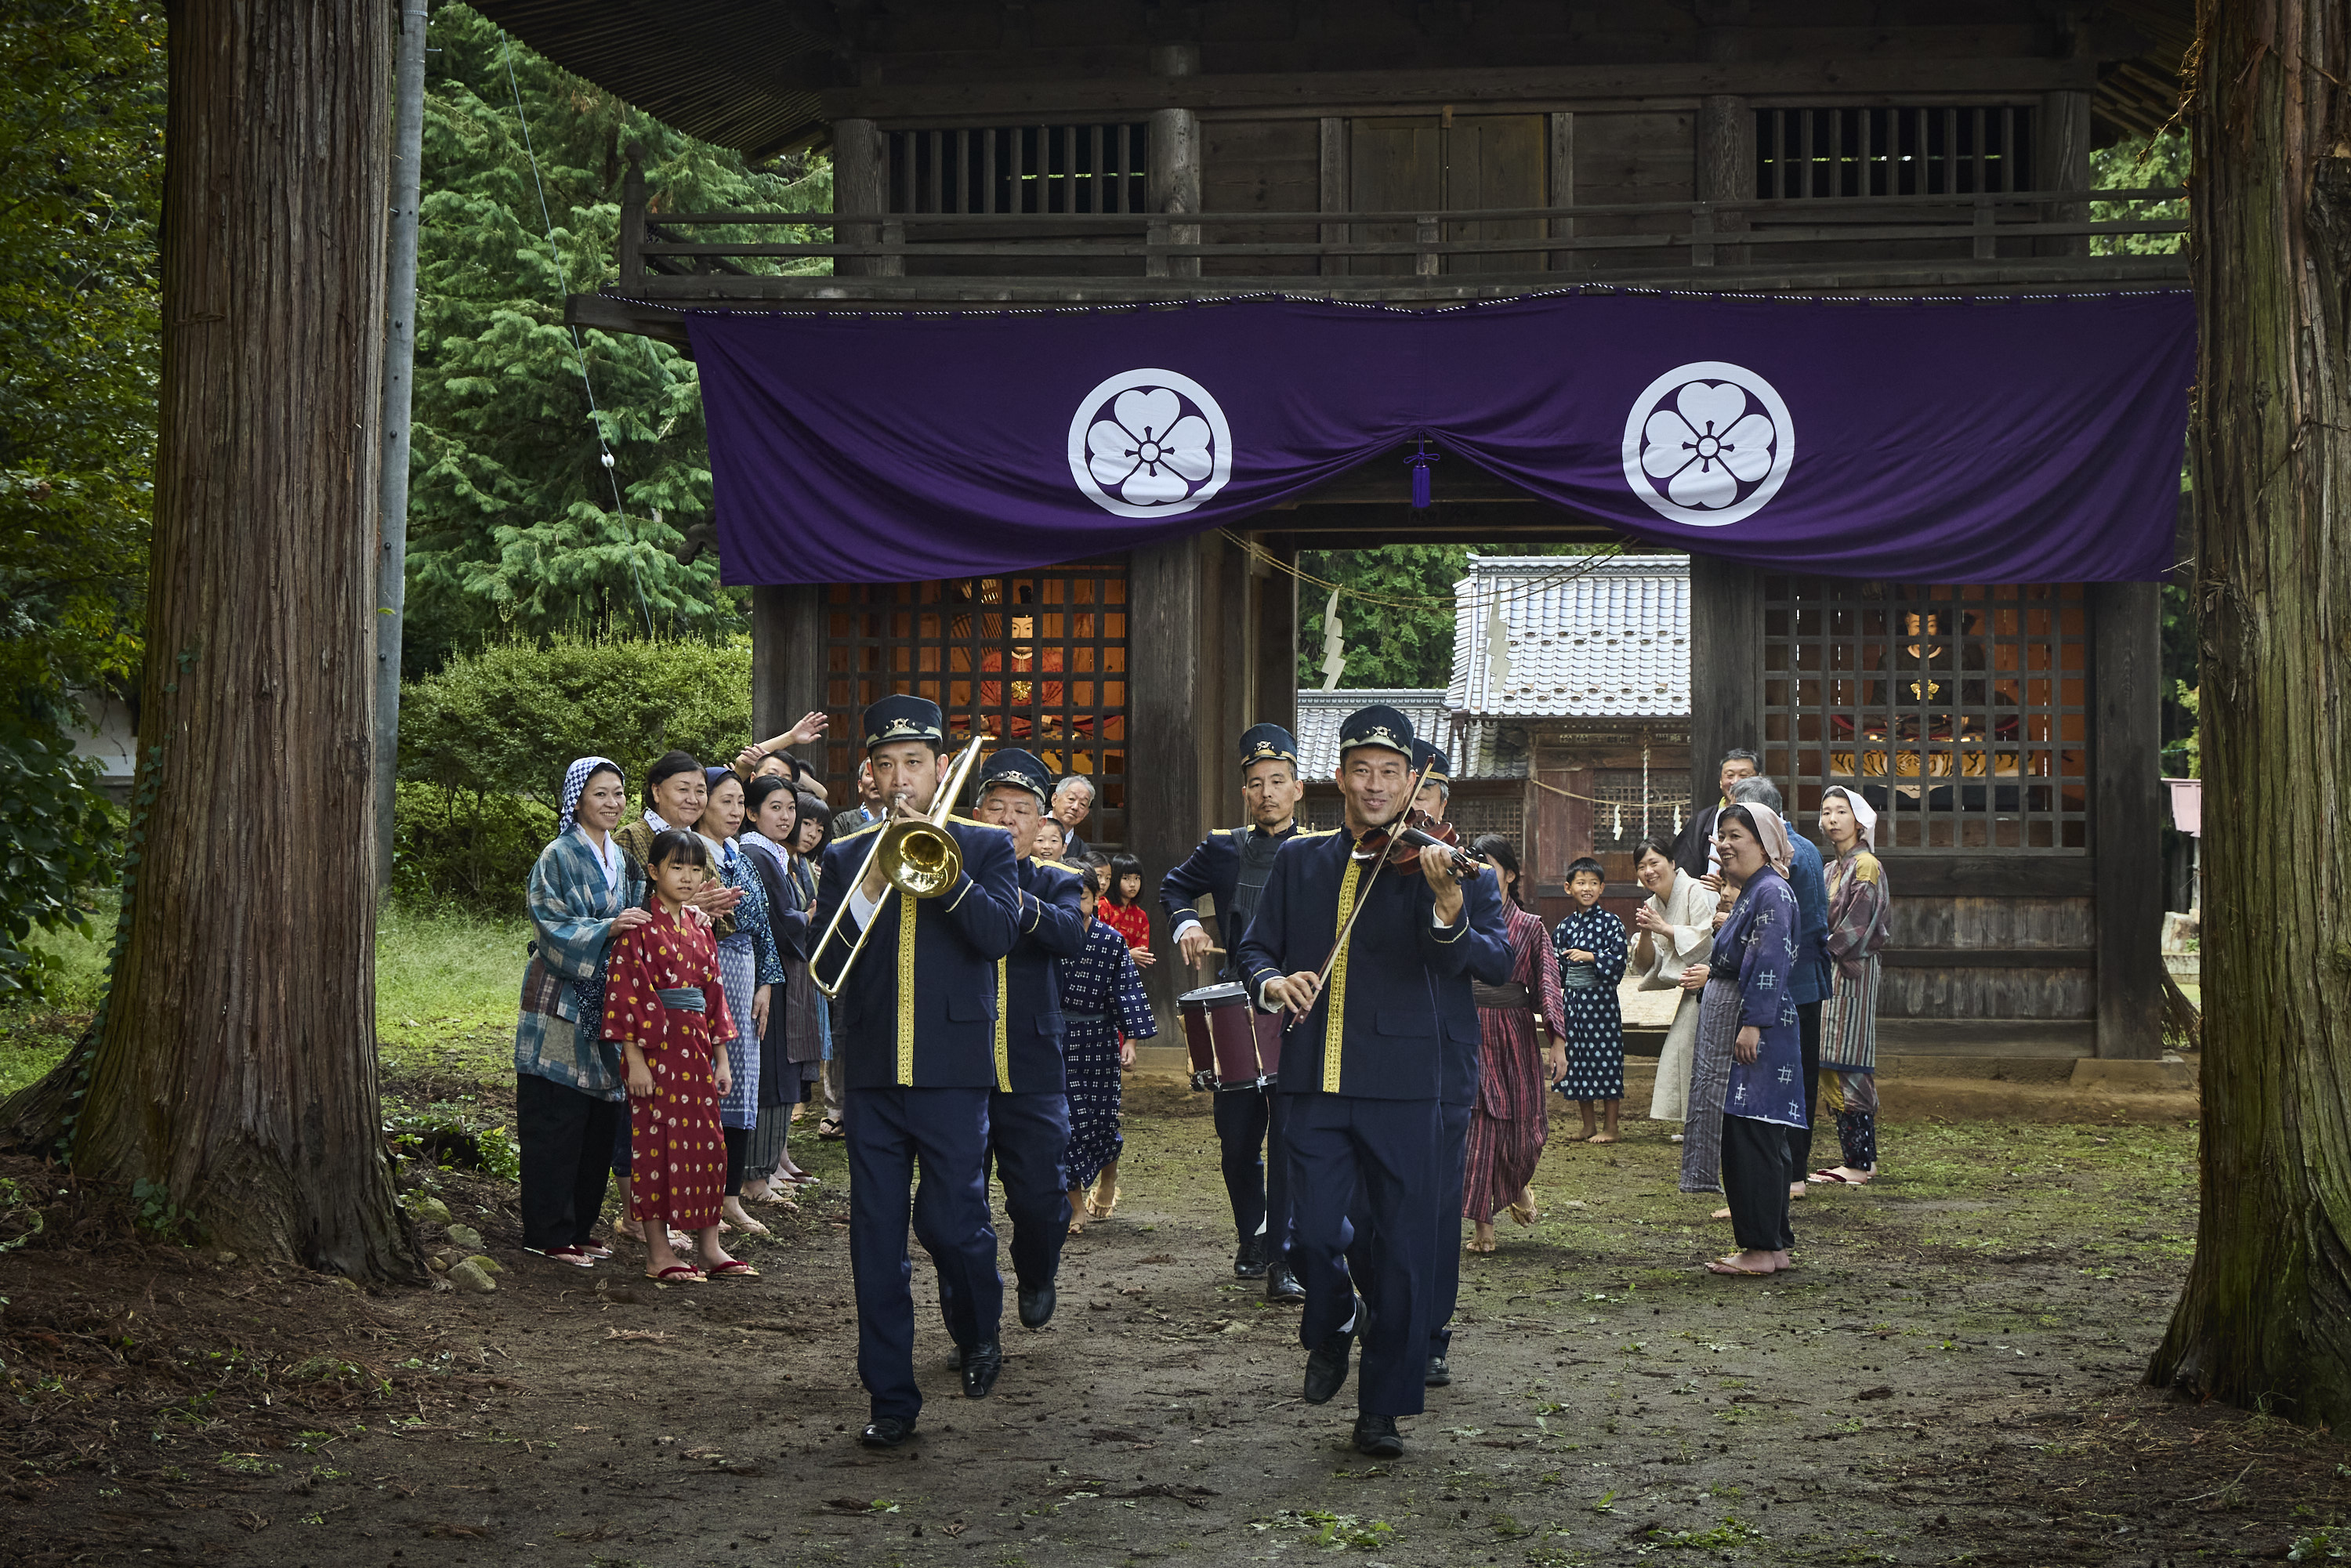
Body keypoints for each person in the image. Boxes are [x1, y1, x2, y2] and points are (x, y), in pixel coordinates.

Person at [1236, 704, 1508, 1459]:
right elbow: (1253, 945)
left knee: (1403, 1248)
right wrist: (1269, 980)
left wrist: (1448, 909)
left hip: (1409, 1083)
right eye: (1363, 769)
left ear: (1413, 782)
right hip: (1312, 1081)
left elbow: (1497, 960)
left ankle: (1382, 1407)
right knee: (1314, 1234)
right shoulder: (1301, 860)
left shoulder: (1442, 863)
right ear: (1340, 777)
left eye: (1393, 772)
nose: (1378, 784)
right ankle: (1331, 1318)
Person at [811, 696, 1023, 1449]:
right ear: (872, 775)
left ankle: (978, 1330)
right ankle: (891, 1397)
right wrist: (875, 880)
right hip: (872, 1074)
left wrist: (947, 879)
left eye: (916, 763)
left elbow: (998, 936)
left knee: (956, 1222)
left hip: (952, 1070)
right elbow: (825, 965)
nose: (902, 778)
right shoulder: (844, 856)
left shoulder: (987, 846)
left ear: (941, 770)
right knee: (875, 1236)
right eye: (887, 765)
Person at [939, 748, 1088, 1349]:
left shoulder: (1058, 878)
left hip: (1033, 1064)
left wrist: (1011, 902)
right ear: (974, 814)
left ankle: (1037, 1271)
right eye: (994, 807)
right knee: (955, 1207)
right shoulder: (948, 875)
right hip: (957, 1065)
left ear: (1041, 821)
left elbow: (1071, 934)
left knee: (1041, 1197)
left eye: (1021, 810)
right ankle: (971, 1330)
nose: (1007, 820)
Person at [1160, 722, 1308, 1299]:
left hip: (1296, 1009)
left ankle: (1286, 1253)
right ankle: (1253, 1232)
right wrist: (1189, 923)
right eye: (1255, 783)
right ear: (1244, 792)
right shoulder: (1222, 847)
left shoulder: (1319, 848)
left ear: (1298, 788)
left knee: (1292, 1138)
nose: (1266, 792)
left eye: (1278, 781)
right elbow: (1174, 887)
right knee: (1239, 1140)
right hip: (1237, 1010)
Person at [1401, 737, 1512, 1390]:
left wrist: (1452, 908)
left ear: (1443, 800)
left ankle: (1432, 1331)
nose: (1415, 803)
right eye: (1401, 788)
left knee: (1439, 1201)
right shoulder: (1357, 861)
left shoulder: (1474, 872)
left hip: (1443, 1050)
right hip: (1363, 1052)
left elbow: (1498, 963)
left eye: (1427, 792)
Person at [602, 828, 755, 1282]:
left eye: (695, 868)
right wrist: (633, 1060)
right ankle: (658, 1252)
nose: (687, 878)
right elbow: (625, 995)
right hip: (653, 1054)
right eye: (676, 867)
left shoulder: (700, 928)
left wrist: (723, 1058)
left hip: (697, 1055)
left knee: (709, 1146)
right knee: (654, 1147)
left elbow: (714, 996)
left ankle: (709, 1247)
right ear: (653, 871)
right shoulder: (637, 929)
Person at [514, 757, 647, 1266]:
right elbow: (549, 922)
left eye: (618, 793)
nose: (612, 803)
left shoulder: (627, 863)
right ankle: (547, 1232)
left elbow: (644, 920)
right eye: (601, 794)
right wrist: (607, 929)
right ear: (577, 800)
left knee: (600, 1118)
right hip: (557, 999)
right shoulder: (557, 856)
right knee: (556, 1117)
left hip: (611, 1000)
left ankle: (582, 1225)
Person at [1688, 805, 1808, 1276]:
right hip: (1754, 1025)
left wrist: (1754, 1022)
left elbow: (1771, 961)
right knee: (1763, 1135)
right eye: (1721, 836)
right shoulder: (1756, 890)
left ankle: (1759, 1249)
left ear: (1766, 843)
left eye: (1736, 835)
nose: (1724, 844)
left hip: (1756, 1029)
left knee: (1750, 1137)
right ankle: (1772, 1245)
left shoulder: (1771, 892)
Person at [1460, 835, 1567, 1255]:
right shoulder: (1460, 922)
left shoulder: (1530, 926)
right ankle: (1482, 1226)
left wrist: (1557, 1042)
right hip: (1467, 1030)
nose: (1480, 873)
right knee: (1476, 1127)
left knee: (1523, 1130)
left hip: (1515, 1032)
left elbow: (1548, 986)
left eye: (1487, 865)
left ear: (1509, 873)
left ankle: (1516, 1184)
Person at [1726, 776, 1832, 1203]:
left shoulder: (1787, 860)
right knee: (1796, 1077)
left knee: (1791, 1080)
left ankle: (1792, 1173)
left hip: (1792, 984)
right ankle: (1790, 1171)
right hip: (1796, 982)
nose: (1728, 841)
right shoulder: (1800, 848)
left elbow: (1778, 937)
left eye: (1738, 829)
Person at [696, 768, 788, 1238]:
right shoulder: (691, 854)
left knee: (743, 1086)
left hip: (747, 971)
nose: (734, 812)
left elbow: (764, 925)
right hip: (706, 973)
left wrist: (767, 982)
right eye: (725, 801)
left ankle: (730, 1197)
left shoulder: (740, 855)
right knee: (708, 1084)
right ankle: (700, 1198)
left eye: (739, 802)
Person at [1060, 864, 1156, 1234]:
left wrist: (1130, 1041)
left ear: (1097, 898)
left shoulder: (1111, 941)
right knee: (1064, 1124)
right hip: (1056, 1040)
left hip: (1099, 1040)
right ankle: (1074, 1205)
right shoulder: (1046, 938)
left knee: (1102, 1121)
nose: (1074, 903)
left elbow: (1127, 995)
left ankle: (1108, 1180)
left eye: (1081, 896)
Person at [736, 775, 815, 1204]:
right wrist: (809, 916)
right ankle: (755, 1174)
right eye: (775, 808)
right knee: (769, 1069)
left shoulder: (775, 855)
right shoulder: (756, 854)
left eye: (790, 809)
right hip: (767, 971)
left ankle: (765, 1169)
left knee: (782, 1066)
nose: (785, 818)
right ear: (752, 812)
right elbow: (782, 922)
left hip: (781, 971)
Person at [1813, 785, 1889, 1186]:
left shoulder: (1866, 867)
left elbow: (1857, 926)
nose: (1832, 819)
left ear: (1859, 820)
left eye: (1840, 811)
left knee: (1848, 1065)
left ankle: (1859, 1164)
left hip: (1851, 971)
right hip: (1830, 971)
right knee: (1830, 1060)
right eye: (1826, 812)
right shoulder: (1830, 869)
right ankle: (1858, 1159)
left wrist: (1821, 949)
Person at [1630, 836, 1715, 1133]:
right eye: (1642, 867)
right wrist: (1644, 932)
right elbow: (1644, 964)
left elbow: (1706, 939)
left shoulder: (1695, 890)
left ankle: (1702, 1121)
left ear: (1672, 863)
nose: (1649, 871)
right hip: (1694, 989)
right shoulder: (1652, 904)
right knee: (1681, 1051)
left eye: (1654, 863)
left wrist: (1664, 928)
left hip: (1716, 980)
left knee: (1690, 1050)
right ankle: (1694, 1120)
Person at [1552, 856, 1629, 1143]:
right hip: (1573, 1002)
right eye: (1581, 883)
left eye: (1593, 883)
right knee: (1579, 1059)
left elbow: (1620, 961)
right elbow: (1556, 969)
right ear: (1568, 887)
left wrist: (1591, 957)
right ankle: (1588, 1125)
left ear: (1602, 888)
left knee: (1607, 1060)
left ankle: (1612, 1127)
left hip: (1602, 1002)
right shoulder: (1563, 928)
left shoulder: (1612, 923)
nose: (1587, 888)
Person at [1671, 749, 1762, 880]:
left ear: (1759, 778)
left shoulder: (1769, 819)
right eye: (1729, 775)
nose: (1735, 782)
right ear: (1720, 781)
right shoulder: (1703, 821)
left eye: (1744, 775)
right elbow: (1684, 870)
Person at [1097, 852, 1154, 970]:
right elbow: (1099, 945)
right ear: (1115, 879)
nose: (1133, 884)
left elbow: (1141, 953)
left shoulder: (1141, 916)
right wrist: (1128, 954)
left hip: (1126, 971)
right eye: (1126, 878)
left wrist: (1129, 956)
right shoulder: (1103, 906)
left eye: (1137, 878)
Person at [831, 759, 886, 842]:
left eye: (881, 774)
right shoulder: (844, 821)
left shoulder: (902, 818)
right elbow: (837, 852)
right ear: (860, 786)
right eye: (869, 774)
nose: (875, 780)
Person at [1050, 774, 1096, 860]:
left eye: (1082, 804)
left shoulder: (1082, 850)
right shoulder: (1032, 831)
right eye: (1071, 799)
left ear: (1085, 813)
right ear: (1054, 799)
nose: (1075, 807)